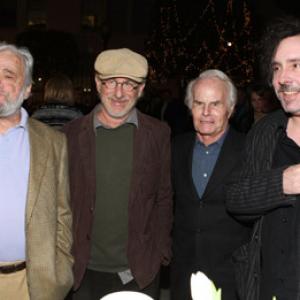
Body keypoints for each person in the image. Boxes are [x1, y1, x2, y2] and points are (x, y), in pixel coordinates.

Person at [63, 48, 173, 300]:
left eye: (129, 84)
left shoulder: (158, 134)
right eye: (111, 82)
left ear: (142, 89)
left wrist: (160, 252)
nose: (119, 93)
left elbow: (164, 197)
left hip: (138, 270)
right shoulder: (70, 135)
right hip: (82, 269)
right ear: (97, 84)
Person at [226, 16, 300, 299]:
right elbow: (236, 197)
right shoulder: (265, 131)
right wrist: (283, 183)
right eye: (277, 68)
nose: (283, 78)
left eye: (296, 64)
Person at [0, 42, 73, 299]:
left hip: (31, 284)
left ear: (28, 88)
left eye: (8, 75)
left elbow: (62, 214)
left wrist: (60, 272)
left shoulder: (53, 143)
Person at [170, 69, 251, 300]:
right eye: (199, 103)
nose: (206, 112)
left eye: (215, 104)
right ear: (189, 107)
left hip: (231, 277)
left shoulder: (249, 150)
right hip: (183, 275)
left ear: (231, 109)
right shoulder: (176, 148)